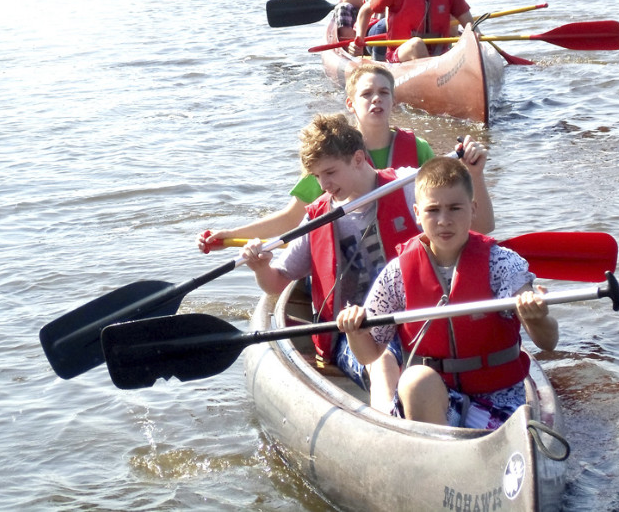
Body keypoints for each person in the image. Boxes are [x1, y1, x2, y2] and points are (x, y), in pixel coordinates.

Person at [241, 114, 493, 411]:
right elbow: (277, 282)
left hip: (419, 314)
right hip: (355, 329)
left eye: (330, 172)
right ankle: (387, 422)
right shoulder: (317, 217)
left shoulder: (407, 185)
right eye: (318, 176)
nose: (324, 184)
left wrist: (475, 175)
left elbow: (483, 227)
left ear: (358, 158)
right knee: (384, 357)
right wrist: (260, 267)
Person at [336, 156, 558, 428]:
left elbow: (548, 342)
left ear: (473, 209)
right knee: (415, 379)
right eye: (433, 210)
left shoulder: (503, 264)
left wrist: (536, 317)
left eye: (455, 208)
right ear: (417, 213)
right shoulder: (396, 274)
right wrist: (354, 331)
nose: (444, 221)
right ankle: (438, 458)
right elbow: (369, 354)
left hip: (501, 403)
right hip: (435, 404)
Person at [196, 65, 435, 253]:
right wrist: (229, 236)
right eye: (367, 94)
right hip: (354, 252)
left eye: (384, 93)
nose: (376, 99)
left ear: (394, 100)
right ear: (350, 104)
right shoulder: (331, 155)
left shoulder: (418, 148)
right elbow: (291, 218)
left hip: (409, 248)